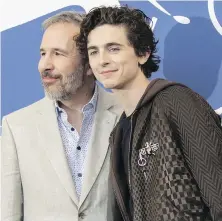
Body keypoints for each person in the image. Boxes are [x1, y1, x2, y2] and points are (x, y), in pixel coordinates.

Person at [76, 6, 222, 221]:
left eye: (113, 48)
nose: (102, 60)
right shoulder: (119, 133)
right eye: (94, 51)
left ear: (143, 53)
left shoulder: (176, 101)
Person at [1, 11, 121, 221]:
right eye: (43, 53)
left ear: (89, 64)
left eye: (58, 53)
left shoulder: (126, 114)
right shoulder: (16, 126)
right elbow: (8, 213)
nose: (44, 65)